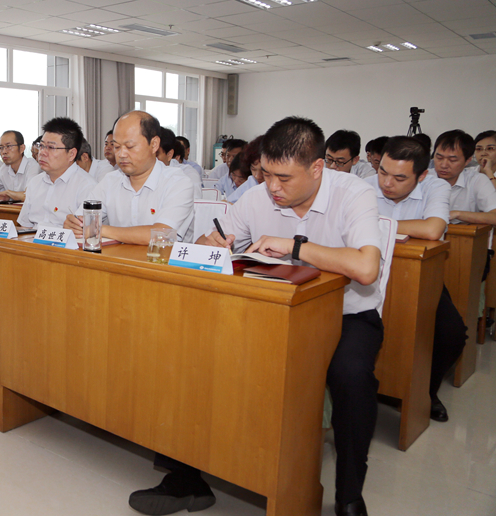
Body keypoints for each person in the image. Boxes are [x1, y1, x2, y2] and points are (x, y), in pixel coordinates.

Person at [129, 117, 382, 516]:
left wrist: (295, 247)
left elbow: (366, 268)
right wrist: (210, 242)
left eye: (284, 178)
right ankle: (185, 477)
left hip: (347, 314)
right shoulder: (258, 195)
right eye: (266, 174)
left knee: (351, 376)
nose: (273, 187)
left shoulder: (355, 193)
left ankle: (349, 494)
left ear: (317, 168)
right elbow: (205, 245)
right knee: (190, 350)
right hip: (267, 308)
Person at [368, 136, 466, 422]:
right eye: (383, 172)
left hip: (420, 277)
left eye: (400, 178)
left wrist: (376, 225)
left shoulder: (436, 186)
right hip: (368, 275)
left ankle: (427, 392)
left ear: (421, 175)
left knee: (452, 334)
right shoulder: (364, 185)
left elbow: (433, 229)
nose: (387, 183)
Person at [64, 111, 194, 244]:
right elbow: (82, 221)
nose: (121, 154)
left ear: (154, 144)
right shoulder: (110, 181)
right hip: (118, 256)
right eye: (116, 147)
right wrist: (73, 224)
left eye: (130, 146)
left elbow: (161, 235)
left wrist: (99, 229)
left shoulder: (178, 183)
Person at [17, 118, 96, 228]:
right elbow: (25, 226)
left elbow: (83, 230)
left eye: (51, 147)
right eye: (41, 146)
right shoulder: (35, 182)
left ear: (71, 154)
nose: (42, 152)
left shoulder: (88, 187)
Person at [430, 129, 496, 226]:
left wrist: (458, 214)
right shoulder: (422, 178)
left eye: (452, 160)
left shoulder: (477, 180)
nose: (443, 165)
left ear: (467, 161)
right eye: (439, 158)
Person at [0, 130, 40, 202]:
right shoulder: (4, 169)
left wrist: (8, 193)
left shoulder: (33, 166)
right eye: (1, 148)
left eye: (8, 146)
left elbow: (30, 196)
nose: (4, 152)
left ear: (21, 148)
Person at [156, 127, 202, 202]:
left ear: (169, 154)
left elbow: (195, 204)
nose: (150, 159)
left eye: (156, 154)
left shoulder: (187, 174)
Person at [227, 136, 264, 204]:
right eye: (253, 169)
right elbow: (229, 202)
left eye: (263, 171)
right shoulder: (252, 181)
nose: (257, 176)